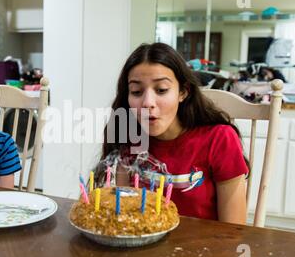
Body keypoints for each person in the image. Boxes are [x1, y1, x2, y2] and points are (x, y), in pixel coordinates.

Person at [94, 43, 249, 225]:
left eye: (161, 90)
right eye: (136, 92)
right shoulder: (129, 138)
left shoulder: (219, 139)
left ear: (183, 92)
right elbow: (124, 218)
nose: (147, 102)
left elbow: (234, 231)